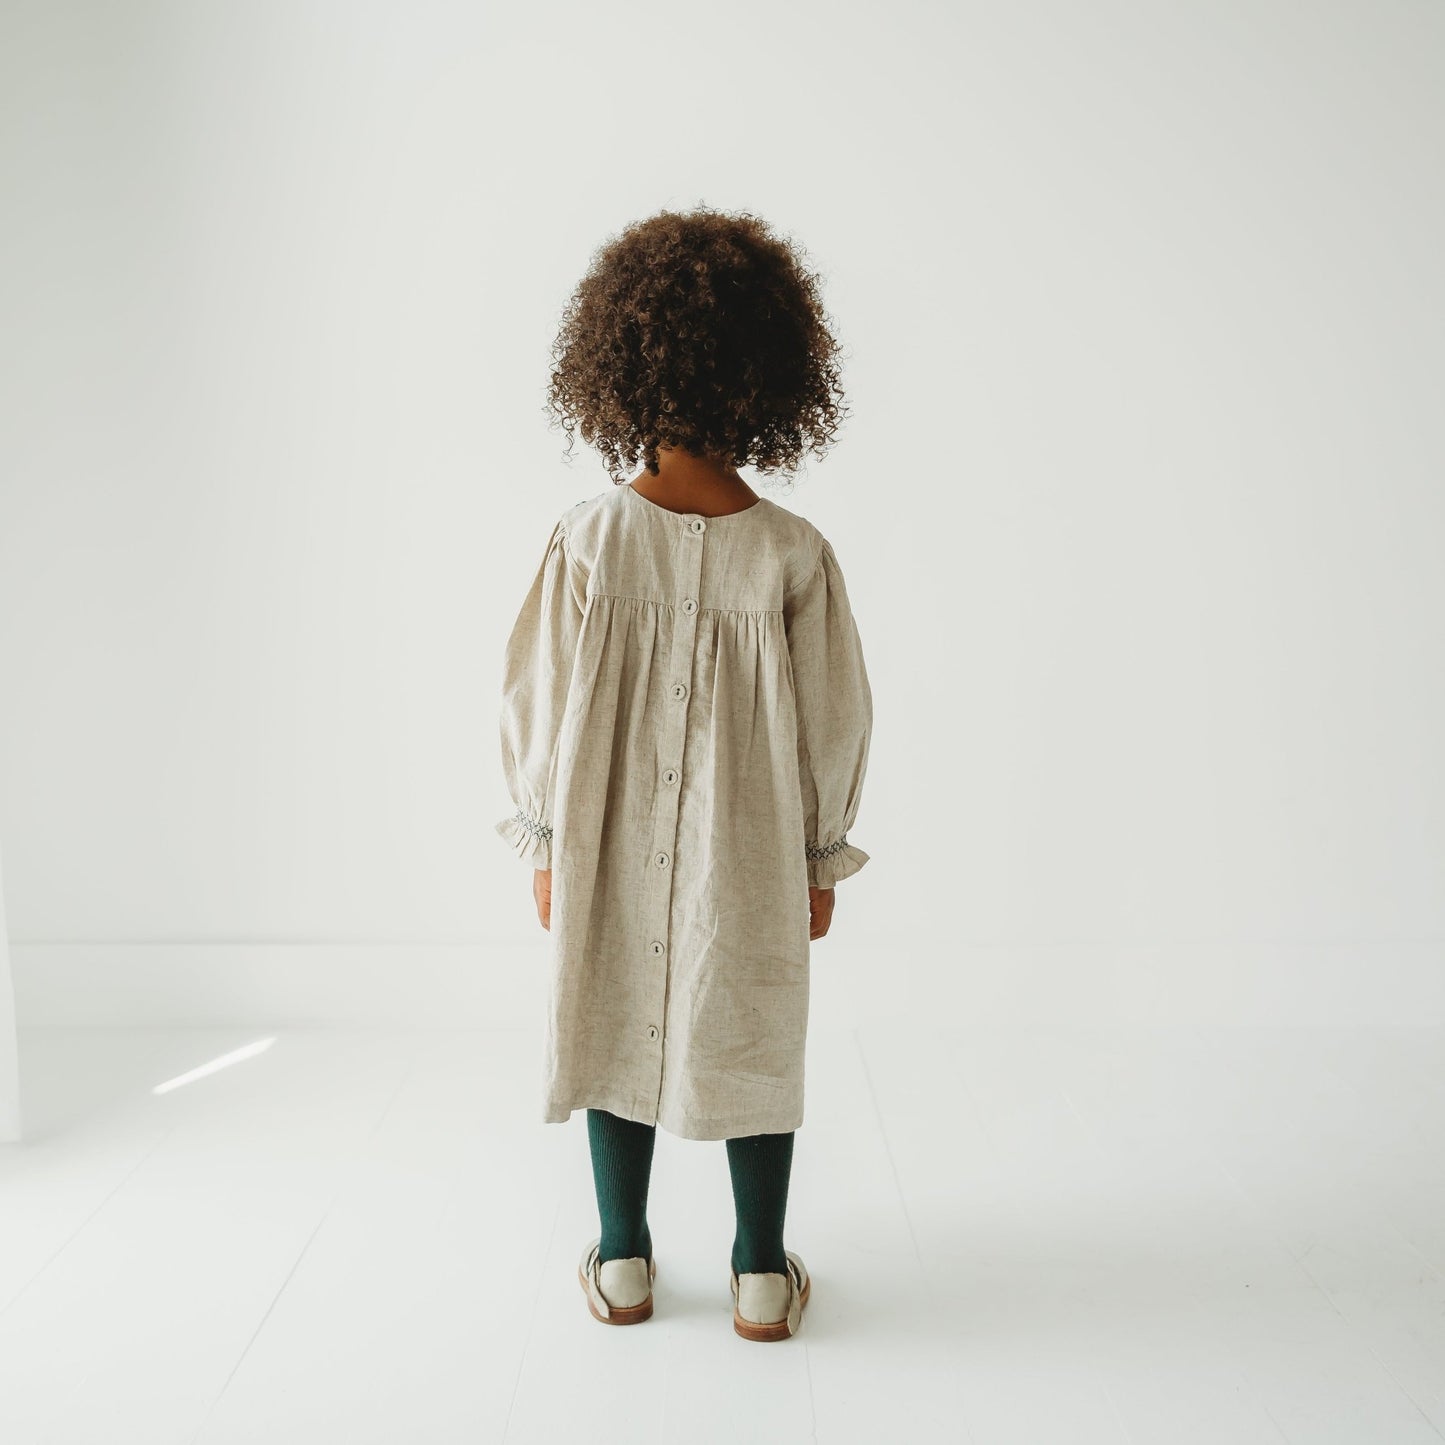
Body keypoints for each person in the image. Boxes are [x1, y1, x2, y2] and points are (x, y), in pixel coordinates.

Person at [494, 204, 873, 1341]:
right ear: (772, 382)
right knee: (755, 1021)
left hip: (604, 832)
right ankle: (759, 1270)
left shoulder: (587, 540)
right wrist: (818, 855)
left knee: (609, 1006)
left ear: (616, 370)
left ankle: (622, 1259)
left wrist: (546, 836)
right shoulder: (793, 554)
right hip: (749, 841)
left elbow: (539, 701)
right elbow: (833, 718)